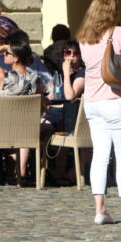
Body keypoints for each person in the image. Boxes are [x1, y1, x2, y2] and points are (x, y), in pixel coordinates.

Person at [77, 0, 121, 225]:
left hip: (92, 102)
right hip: (116, 99)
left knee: (100, 156)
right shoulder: (118, 32)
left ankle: (100, 209)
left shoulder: (84, 37)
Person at [0, 41, 42, 182]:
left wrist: (0, 47)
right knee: (35, 127)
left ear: (16, 58)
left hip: (1, 129)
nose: (4, 54)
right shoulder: (37, 80)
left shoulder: (3, 76)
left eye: (7, 53)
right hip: (26, 131)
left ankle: (9, 172)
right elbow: (41, 108)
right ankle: (20, 172)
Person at [43, 40, 86, 184]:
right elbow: (51, 97)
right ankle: (50, 169)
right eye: (68, 53)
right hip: (61, 115)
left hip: (75, 120)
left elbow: (70, 96)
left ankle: (60, 171)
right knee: (45, 126)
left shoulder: (81, 74)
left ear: (80, 56)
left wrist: (67, 74)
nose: (71, 56)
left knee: (57, 126)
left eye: (75, 53)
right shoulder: (60, 74)